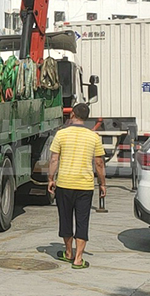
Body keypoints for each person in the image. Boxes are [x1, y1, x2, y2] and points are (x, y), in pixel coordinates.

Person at [48, 103, 106, 269]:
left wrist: (51, 179)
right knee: (82, 221)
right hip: (85, 186)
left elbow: (54, 159)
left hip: (64, 184)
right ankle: (78, 259)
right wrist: (102, 184)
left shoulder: (61, 134)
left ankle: (68, 252)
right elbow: (99, 163)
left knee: (65, 219)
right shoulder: (94, 137)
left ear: (72, 114)